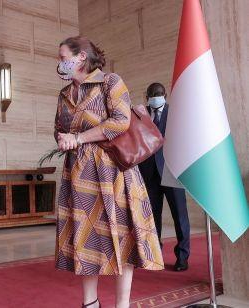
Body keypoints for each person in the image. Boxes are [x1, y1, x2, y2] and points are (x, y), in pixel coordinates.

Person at [54, 36, 164, 308]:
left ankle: (122, 304)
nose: (59, 62)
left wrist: (78, 138)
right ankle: (90, 303)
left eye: (62, 56)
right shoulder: (65, 93)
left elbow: (120, 122)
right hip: (79, 174)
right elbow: (58, 126)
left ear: (80, 57)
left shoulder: (110, 82)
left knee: (123, 236)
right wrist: (61, 137)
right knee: (86, 236)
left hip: (112, 171)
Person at [138, 82, 190, 272]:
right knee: (152, 217)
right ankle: (155, 254)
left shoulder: (175, 113)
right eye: (152, 94)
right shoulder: (140, 115)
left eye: (158, 94)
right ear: (147, 96)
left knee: (180, 216)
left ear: (165, 95)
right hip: (149, 173)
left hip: (172, 171)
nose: (155, 96)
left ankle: (182, 257)